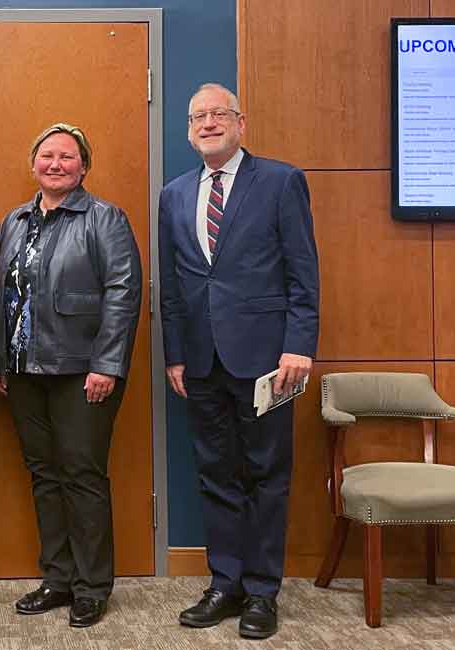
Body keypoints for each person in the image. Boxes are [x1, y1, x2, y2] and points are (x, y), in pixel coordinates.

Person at [159, 83, 319, 640]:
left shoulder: (279, 181)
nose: (207, 122)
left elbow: (303, 273)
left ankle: (262, 592)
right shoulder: (174, 194)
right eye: (197, 115)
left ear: (240, 122)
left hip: (269, 360)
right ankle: (224, 584)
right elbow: (174, 287)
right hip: (200, 362)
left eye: (217, 114)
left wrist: (299, 344)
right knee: (215, 474)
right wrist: (175, 354)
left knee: (267, 476)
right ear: (187, 129)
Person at [0, 123, 143, 629]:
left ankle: (92, 587)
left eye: (67, 158)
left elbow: (123, 293)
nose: (56, 164)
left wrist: (107, 364)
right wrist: (1, 364)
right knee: (44, 475)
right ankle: (57, 579)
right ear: (33, 164)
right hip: (24, 372)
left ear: (83, 167)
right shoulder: (14, 221)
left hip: (83, 372)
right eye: (47, 156)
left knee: (82, 474)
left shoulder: (105, 219)